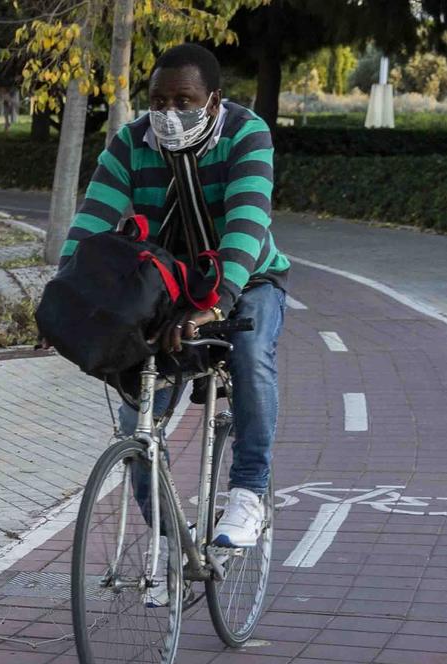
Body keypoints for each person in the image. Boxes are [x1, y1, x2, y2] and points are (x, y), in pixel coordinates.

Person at [60, 41, 290, 549]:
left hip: (245, 280)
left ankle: (250, 493)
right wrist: (63, 296)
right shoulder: (132, 142)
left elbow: (247, 222)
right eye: (158, 101)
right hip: (167, 288)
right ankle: (174, 541)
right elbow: (92, 222)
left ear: (213, 100)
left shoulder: (245, 133)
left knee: (251, 358)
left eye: (183, 101)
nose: (167, 113)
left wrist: (219, 299)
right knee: (138, 415)